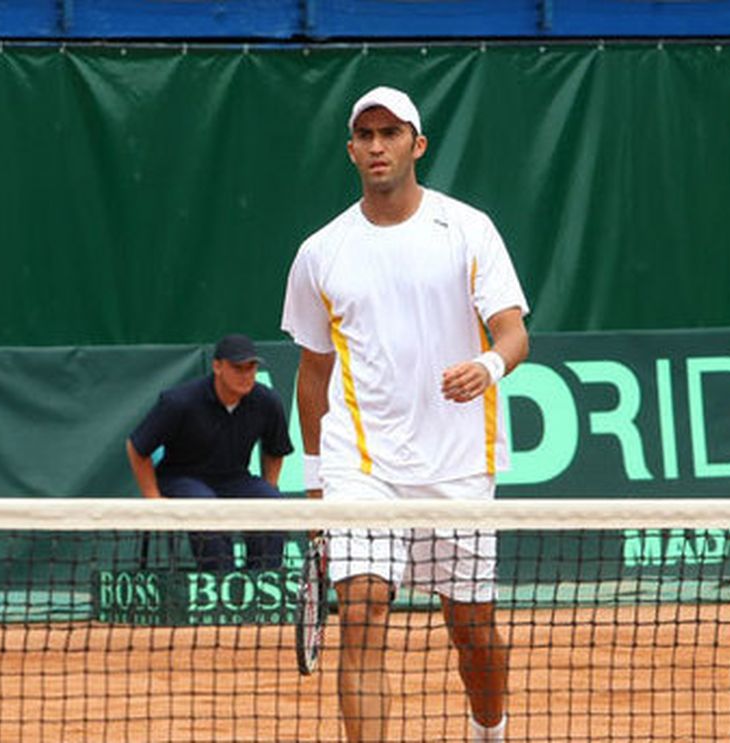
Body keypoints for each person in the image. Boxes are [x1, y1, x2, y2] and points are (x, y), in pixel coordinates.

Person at [281, 86, 529, 742]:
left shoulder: (468, 229)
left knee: (472, 629)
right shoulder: (321, 252)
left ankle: (490, 730)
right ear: (351, 150)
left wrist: (489, 366)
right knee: (361, 613)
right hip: (362, 464)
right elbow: (313, 371)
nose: (376, 145)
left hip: (457, 465)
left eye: (390, 133)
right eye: (365, 135)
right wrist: (314, 479)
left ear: (417, 144)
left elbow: (513, 332)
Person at [126, 334, 294, 571]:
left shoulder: (267, 401)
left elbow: (276, 450)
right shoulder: (179, 402)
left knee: (272, 506)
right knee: (207, 509)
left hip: (236, 479)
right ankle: (219, 588)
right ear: (217, 366)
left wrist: (269, 486)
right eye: (238, 368)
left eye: (251, 368)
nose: (246, 375)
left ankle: (261, 587)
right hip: (180, 479)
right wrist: (153, 497)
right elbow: (137, 447)